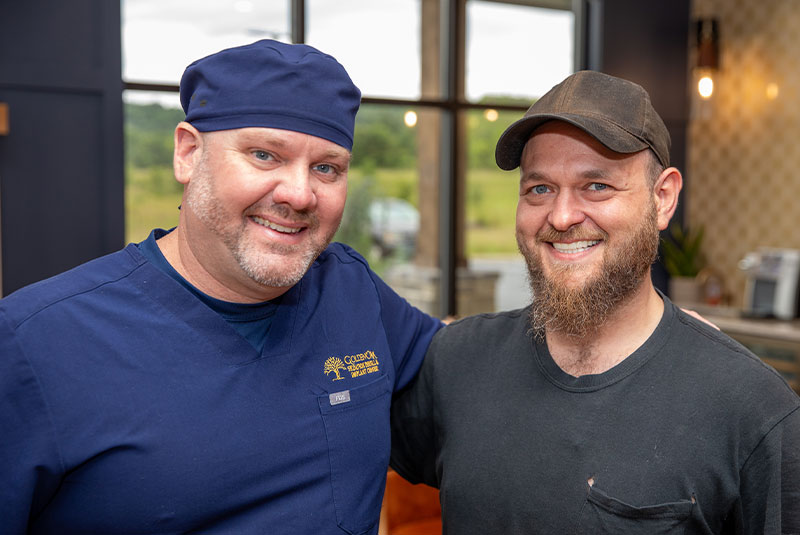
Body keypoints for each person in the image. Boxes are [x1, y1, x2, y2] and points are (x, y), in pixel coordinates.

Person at [0, 40, 442, 534]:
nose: (299, 194)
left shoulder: (350, 287)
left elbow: (466, 365)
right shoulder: (31, 343)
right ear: (188, 154)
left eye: (326, 168)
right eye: (264, 155)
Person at [390, 70, 800, 533]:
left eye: (597, 186)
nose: (562, 217)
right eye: (539, 189)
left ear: (662, 199)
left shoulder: (752, 408)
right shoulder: (456, 363)